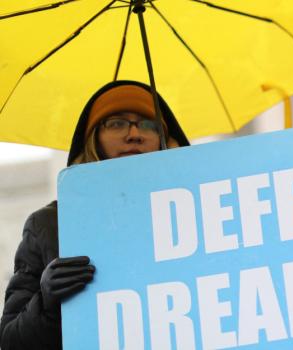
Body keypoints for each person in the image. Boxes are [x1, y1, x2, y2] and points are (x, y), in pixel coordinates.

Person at [0, 80, 190, 350]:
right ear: (93, 139)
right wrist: (47, 303)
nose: (135, 133)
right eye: (116, 123)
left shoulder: (198, 211)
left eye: (149, 123)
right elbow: (10, 342)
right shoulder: (48, 225)